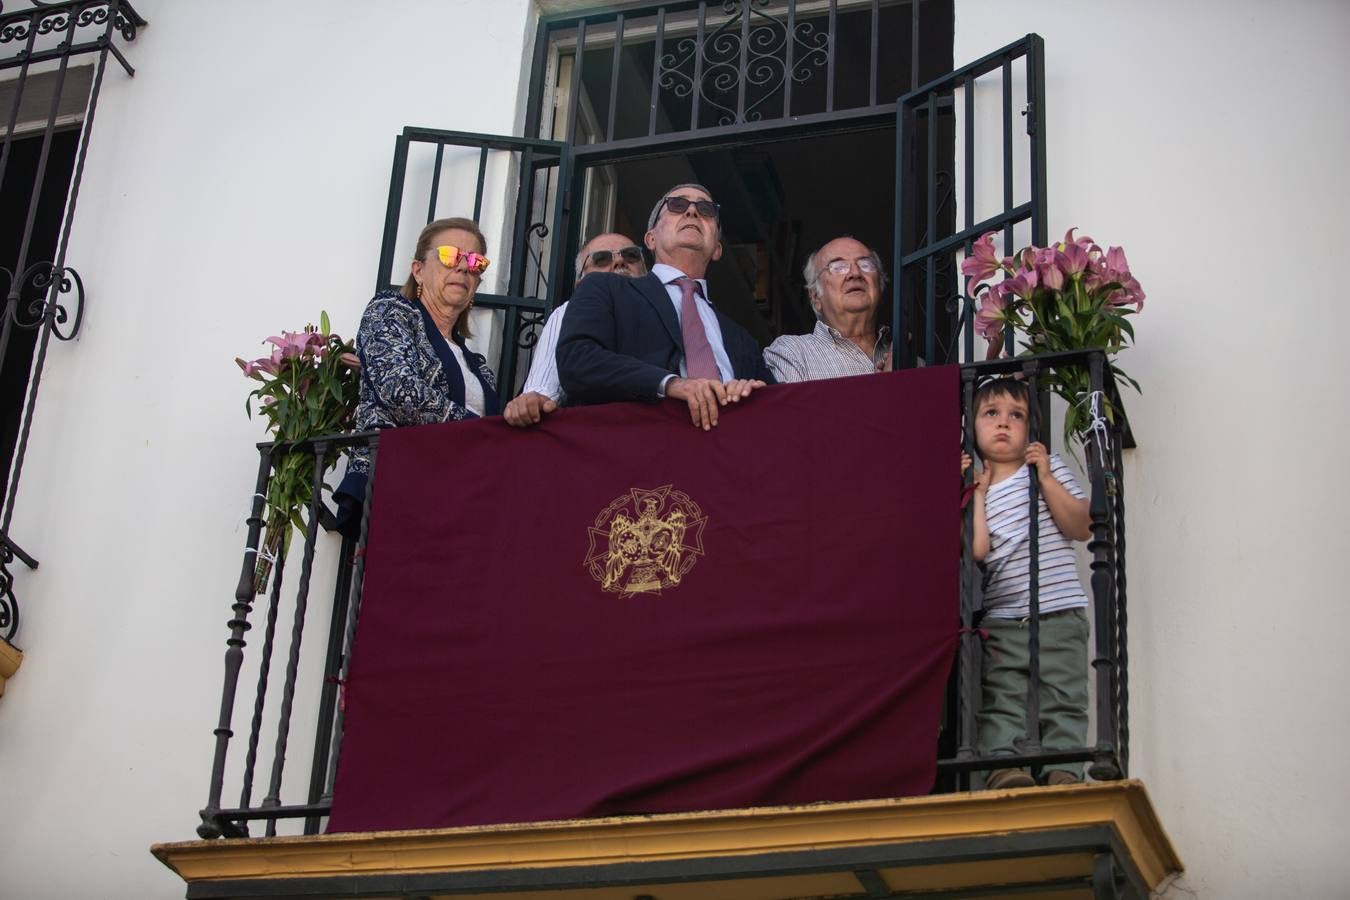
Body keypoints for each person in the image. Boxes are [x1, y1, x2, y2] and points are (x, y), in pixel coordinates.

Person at [960, 378, 1092, 790]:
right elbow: (977, 548)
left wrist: (1048, 478)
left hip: (1059, 608)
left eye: (1016, 416)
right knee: (1004, 697)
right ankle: (1004, 767)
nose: (1003, 424)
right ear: (972, 426)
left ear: (1031, 429)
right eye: (991, 414)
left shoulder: (1044, 473)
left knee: (1064, 696)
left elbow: (1081, 525)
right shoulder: (974, 487)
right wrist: (974, 493)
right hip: (1004, 615)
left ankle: (1064, 770)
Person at [556, 183, 774, 430]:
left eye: (706, 210)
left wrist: (748, 394)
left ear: (717, 249)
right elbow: (577, 361)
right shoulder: (606, 289)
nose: (692, 212)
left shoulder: (741, 338)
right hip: (636, 450)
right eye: (677, 205)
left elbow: (775, 407)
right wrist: (670, 383)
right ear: (651, 239)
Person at [335, 217, 499, 525]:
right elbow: (399, 389)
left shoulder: (478, 366)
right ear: (418, 270)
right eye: (450, 256)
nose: (463, 268)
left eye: (475, 261)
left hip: (464, 504)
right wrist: (481, 432)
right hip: (399, 492)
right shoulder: (389, 311)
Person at [503, 232, 647, 426]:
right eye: (601, 259)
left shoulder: (666, 310)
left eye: (630, 255)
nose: (620, 261)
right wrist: (535, 400)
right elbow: (543, 390)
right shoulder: (569, 312)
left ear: (645, 272)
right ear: (580, 283)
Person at [764, 236, 892, 382]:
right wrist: (890, 383)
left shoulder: (911, 360)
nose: (855, 273)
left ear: (880, 288)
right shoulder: (793, 353)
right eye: (838, 267)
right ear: (816, 297)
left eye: (865, 264)